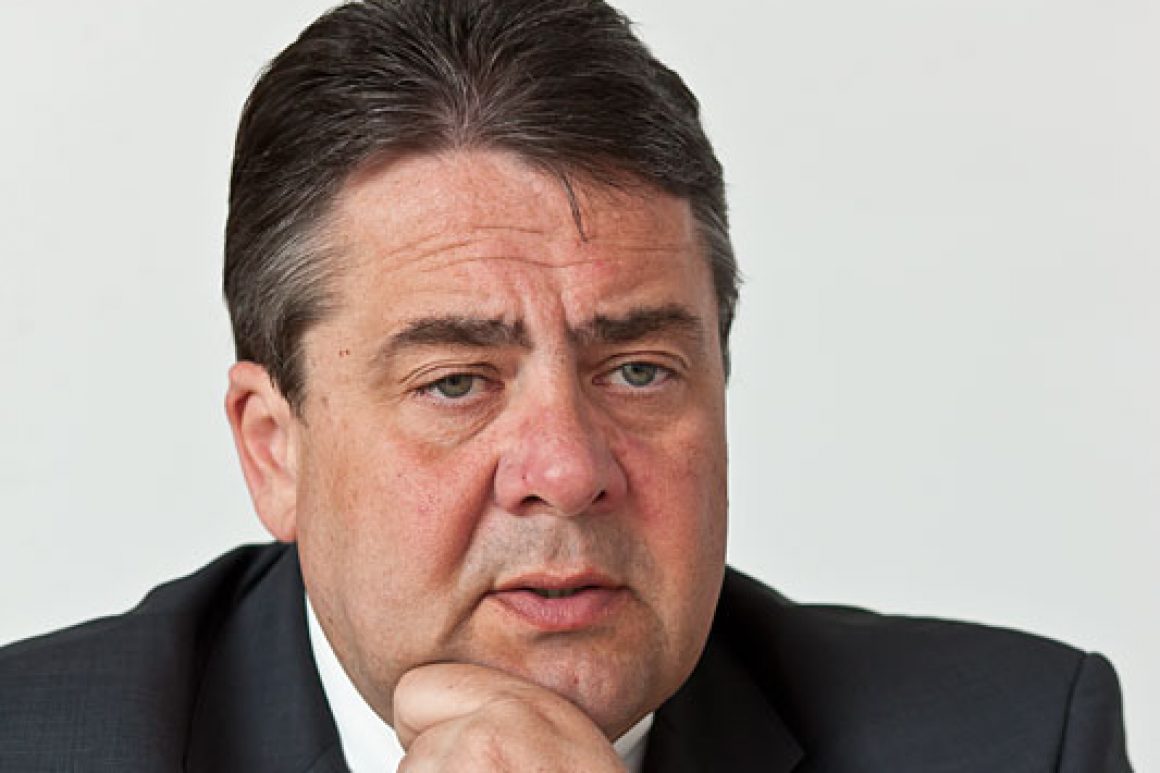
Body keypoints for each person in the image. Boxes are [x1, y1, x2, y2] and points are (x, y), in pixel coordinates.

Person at [0, 0, 1133, 770]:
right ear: (274, 449)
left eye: (638, 370)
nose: (569, 468)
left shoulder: (1011, 739)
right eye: (456, 382)